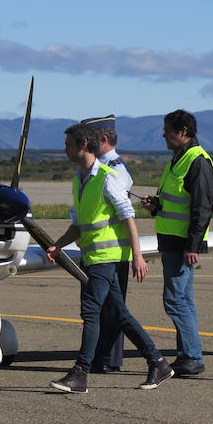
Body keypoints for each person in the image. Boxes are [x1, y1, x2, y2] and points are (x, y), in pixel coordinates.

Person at [47, 123, 173, 393]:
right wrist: (57, 246)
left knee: (91, 311)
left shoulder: (107, 177)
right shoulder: (79, 180)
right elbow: (79, 225)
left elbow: (129, 217)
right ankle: (158, 362)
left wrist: (137, 256)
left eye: (68, 144)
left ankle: (80, 373)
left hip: (108, 257)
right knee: (118, 313)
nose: (64, 149)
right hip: (92, 256)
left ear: (83, 145)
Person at [141, 109, 213, 376]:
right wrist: (156, 204)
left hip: (182, 243)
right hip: (171, 239)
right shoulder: (178, 158)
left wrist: (193, 246)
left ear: (183, 132)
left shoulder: (197, 161)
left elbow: (202, 208)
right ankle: (188, 356)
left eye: (168, 131)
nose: (164, 136)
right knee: (184, 300)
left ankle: (192, 357)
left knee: (174, 300)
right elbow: (177, 201)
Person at [80, 115, 133, 374]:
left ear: (102, 139)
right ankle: (101, 356)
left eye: (88, 139)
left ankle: (108, 358)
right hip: (97, 250)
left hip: (111, 251)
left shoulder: (114, 170)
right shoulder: (96, 168)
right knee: (104, 308)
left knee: (112, 309)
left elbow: (124, 213)